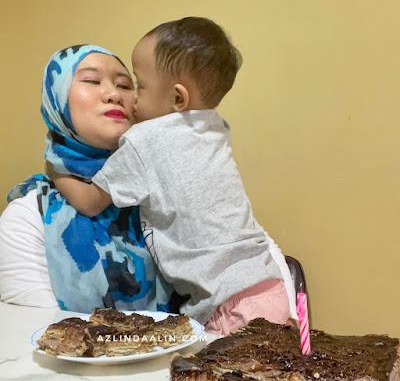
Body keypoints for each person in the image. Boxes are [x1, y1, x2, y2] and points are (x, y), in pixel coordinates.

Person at [48, 18, 298, 335]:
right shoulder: (214, 127)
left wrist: (55, 169)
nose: (131, 98)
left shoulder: (145, 143)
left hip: (228, 305)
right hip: (269, 287)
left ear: (178, 99)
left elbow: (88, 202)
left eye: (138, 85)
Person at [0, 44, 174, 313]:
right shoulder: (28, 218)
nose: (114, 94)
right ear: (56, 99)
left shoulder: (170, 189)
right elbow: (39, 334)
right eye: (92, 81)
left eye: (125, 85)